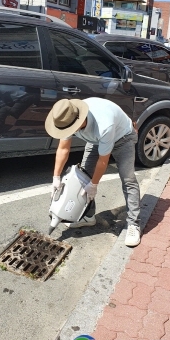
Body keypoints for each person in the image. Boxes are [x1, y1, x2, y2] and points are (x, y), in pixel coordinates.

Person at [45, 97, 141, 247]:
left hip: (123, 138)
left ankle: (133, 224)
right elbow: (63, 148)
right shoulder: (67, 117)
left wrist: (94, 185)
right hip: (97, 140)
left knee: (128, 179)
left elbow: (103, 161)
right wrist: (56, 177)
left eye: (73, 129)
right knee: (83, 177)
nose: (71, 132)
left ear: (80, 120)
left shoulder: (104, 124)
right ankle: (89, 216)